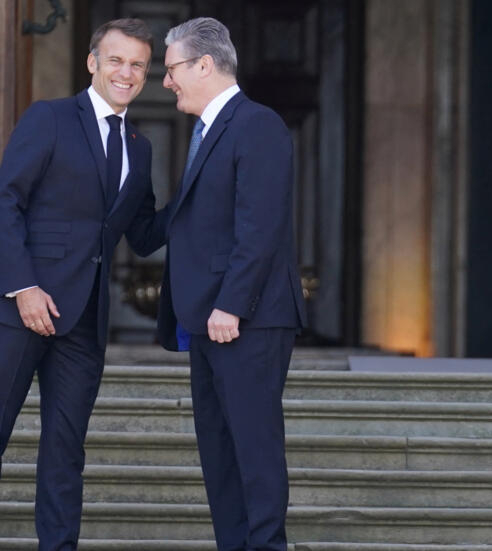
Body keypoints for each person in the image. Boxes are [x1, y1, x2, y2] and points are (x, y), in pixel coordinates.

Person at [0, 18, 166, 551]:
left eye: (138, 64)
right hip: (21, 306)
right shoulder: (48, 118)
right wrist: (22, 286)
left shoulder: (140, 147)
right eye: (116, 60)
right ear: (92, 62)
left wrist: (201, 201)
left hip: (84, 319)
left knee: (66, 450)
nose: (127, 72)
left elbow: (141, 234)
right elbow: (6, 201)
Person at [156, 17, 307, 551]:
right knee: (219, 454)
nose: (166, 80)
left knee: (253, 449)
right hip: (207, 320)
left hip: (247, 318)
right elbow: (182, 219)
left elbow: (259, 226)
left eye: (171, 68)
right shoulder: (204, 132)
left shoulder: (257, 124)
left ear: (203, 64)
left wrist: (232, 306)